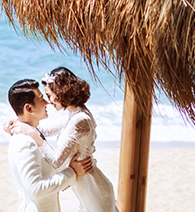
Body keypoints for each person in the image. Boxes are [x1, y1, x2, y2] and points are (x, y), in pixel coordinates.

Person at [7, 68, 119, 212]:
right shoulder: (73, 116)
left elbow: (56, 160)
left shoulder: (79, 119)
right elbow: (43, 130)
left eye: (48, 95)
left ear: (60, 92)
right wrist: (17, 122)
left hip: (92, 187)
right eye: (43, 97)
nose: (48, 102)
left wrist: (29, 130)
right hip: (83, 188)